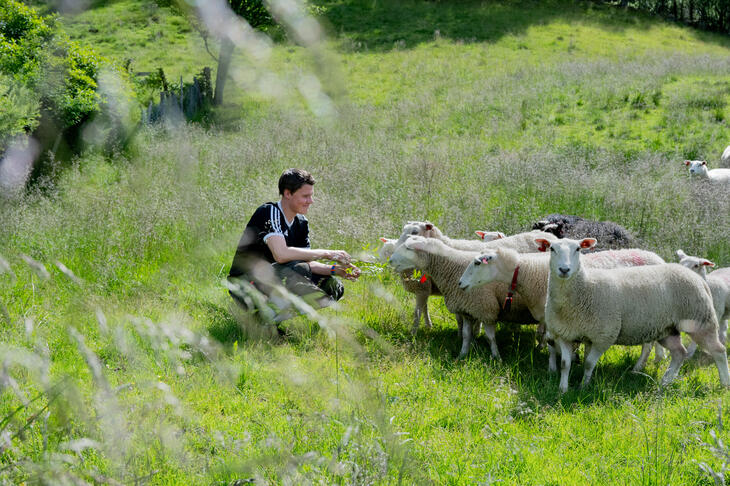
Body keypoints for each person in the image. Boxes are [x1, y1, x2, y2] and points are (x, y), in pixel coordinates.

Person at [227, 168, 360, 323]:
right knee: (299, 270)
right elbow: (281, 254)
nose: (311, 201)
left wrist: (334, 269)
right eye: (305, 196)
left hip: (275, 277)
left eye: (311, 195)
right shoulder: (270, 211)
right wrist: (327, 253)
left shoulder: (301, 222)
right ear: (288, 193)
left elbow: (307, 262)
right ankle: (262, 316)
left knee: (334, 286)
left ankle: (272, 318)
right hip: (245, 283)